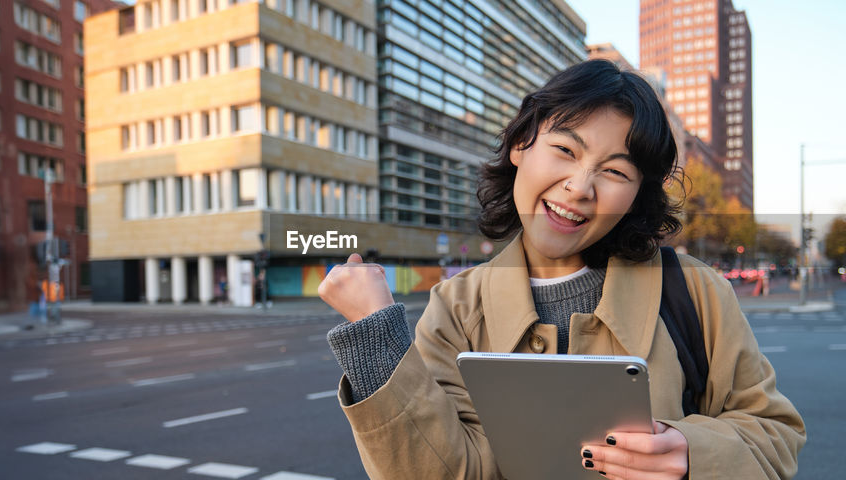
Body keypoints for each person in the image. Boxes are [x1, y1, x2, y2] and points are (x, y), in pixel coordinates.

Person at [319, 60, 805, 479]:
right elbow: (447, 471)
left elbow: (775, 439)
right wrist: (374, 338)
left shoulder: (694, 291)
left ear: (637, 193)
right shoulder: (457, 308)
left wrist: (690, 453)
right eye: (565, 151)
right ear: (521, 145)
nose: (579, 187)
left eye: (615, 171)